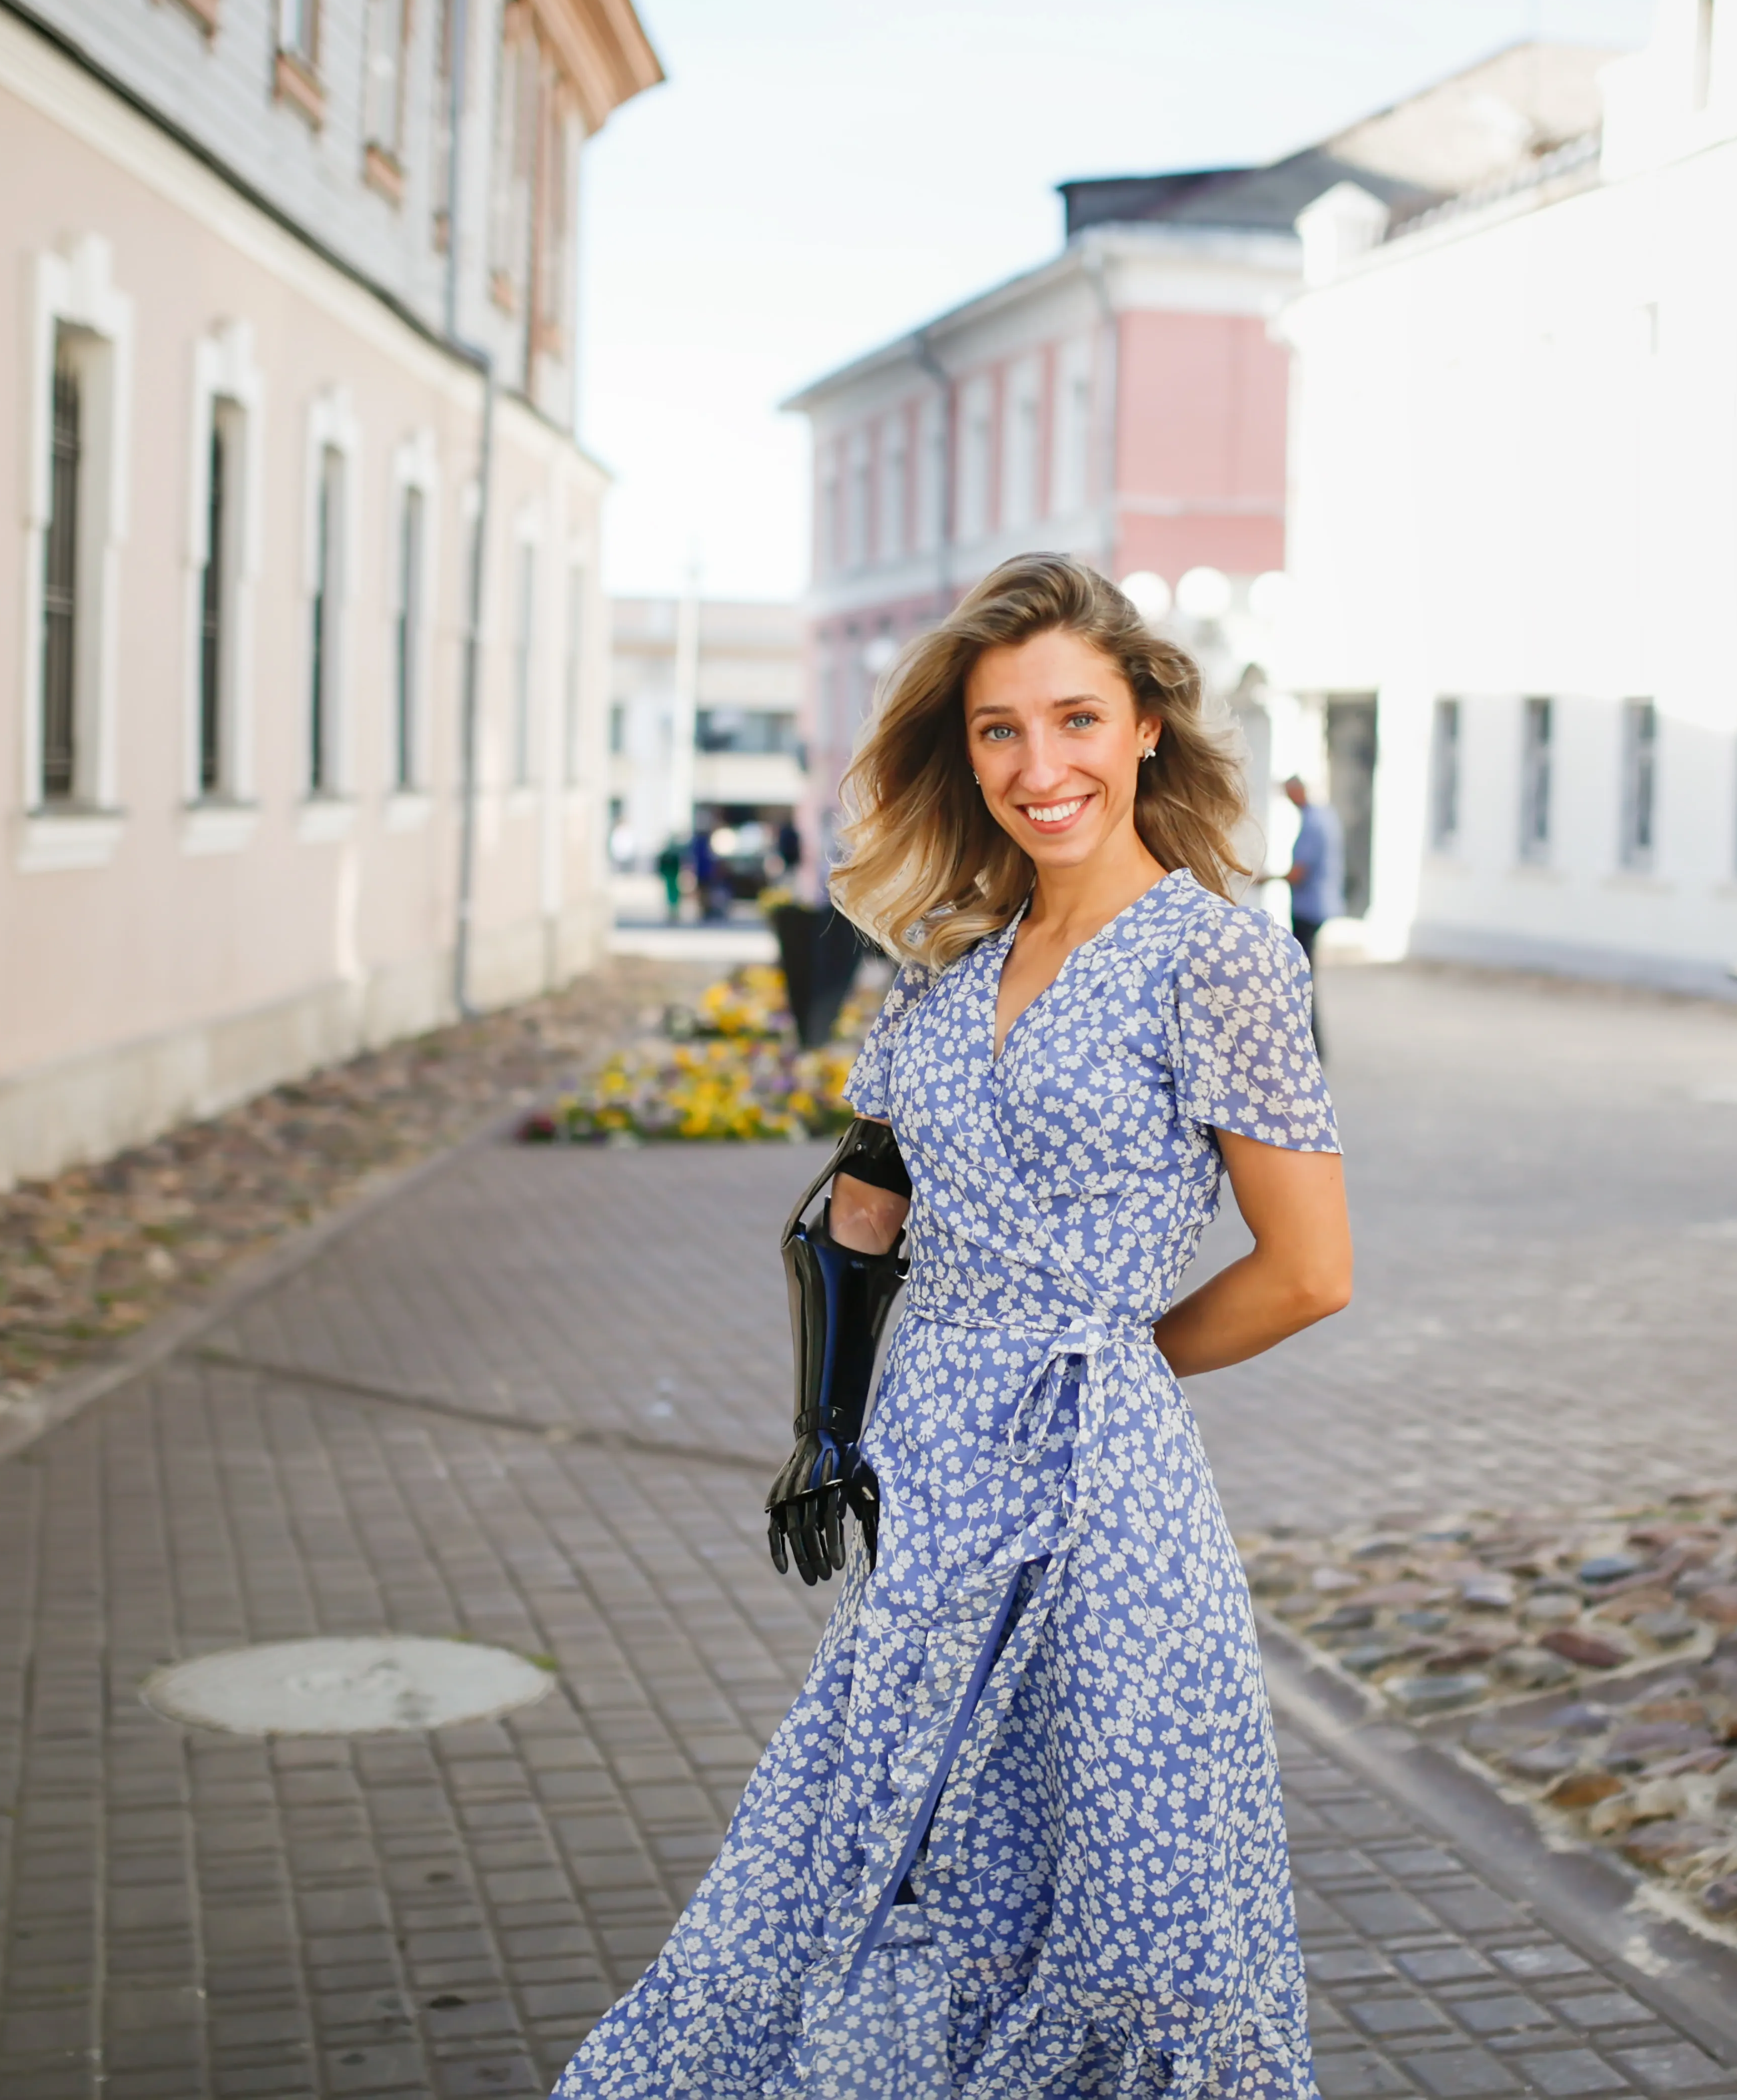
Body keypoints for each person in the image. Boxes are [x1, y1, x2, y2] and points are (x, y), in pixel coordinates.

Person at [557, 554, 1351, 2099]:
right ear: (964, 752)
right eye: (999, 730)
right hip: (928, 1481)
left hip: (1094, 1499)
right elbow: (852, 1221)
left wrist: (1111, 1363)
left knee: (1117, 1892)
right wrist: (827, 1427)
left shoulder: (1219, 958)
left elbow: (1309, 1269)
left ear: (1143, 732)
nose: (1037, 766)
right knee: (894, 1856)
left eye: (1074, 719)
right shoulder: (948, 972)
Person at [1279, 772, 1342, 1060]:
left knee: (1302, 977)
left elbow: (1298, 873)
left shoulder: (1312, 822)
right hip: (1319, 905)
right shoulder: (1324, 817)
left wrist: (1264, 879)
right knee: (1305, 975)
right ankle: (1313, 1044)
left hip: (1308, 908)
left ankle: (1311, 1045)